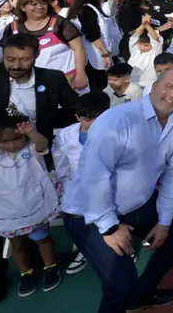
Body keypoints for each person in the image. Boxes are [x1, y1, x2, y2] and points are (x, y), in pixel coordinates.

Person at [61, 69, 173, 313]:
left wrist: (164, 222)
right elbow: (95, 175)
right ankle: (129, 295)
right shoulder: (118, 120)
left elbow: (172, 172)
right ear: (154, 85)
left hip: (138, 204)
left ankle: (140, 297)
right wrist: (110, 227)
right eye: (169, 86)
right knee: (120, 284)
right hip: (89, 212)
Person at [0, 112, 62, 297]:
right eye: (5, 141)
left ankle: (50, 267)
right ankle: (26, 273)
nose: (12, 144)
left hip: (34, 206)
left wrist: (31, 132)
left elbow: (43, 144)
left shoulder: (32, 149)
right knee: (18, 245)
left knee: (42, 239)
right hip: (8, 211)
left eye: (17, 139)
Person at [52, 92, 111, 276]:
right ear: (78, 117)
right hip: (77, 186)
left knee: (110, 219)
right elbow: (59, 160)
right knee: (80, 221)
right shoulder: (66, 135)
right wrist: (65, 185)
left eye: (98, 117)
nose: (93, 122)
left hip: (108, 185)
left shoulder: (114, 132)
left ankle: (122, 249)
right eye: (88, 118)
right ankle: (84, 251)